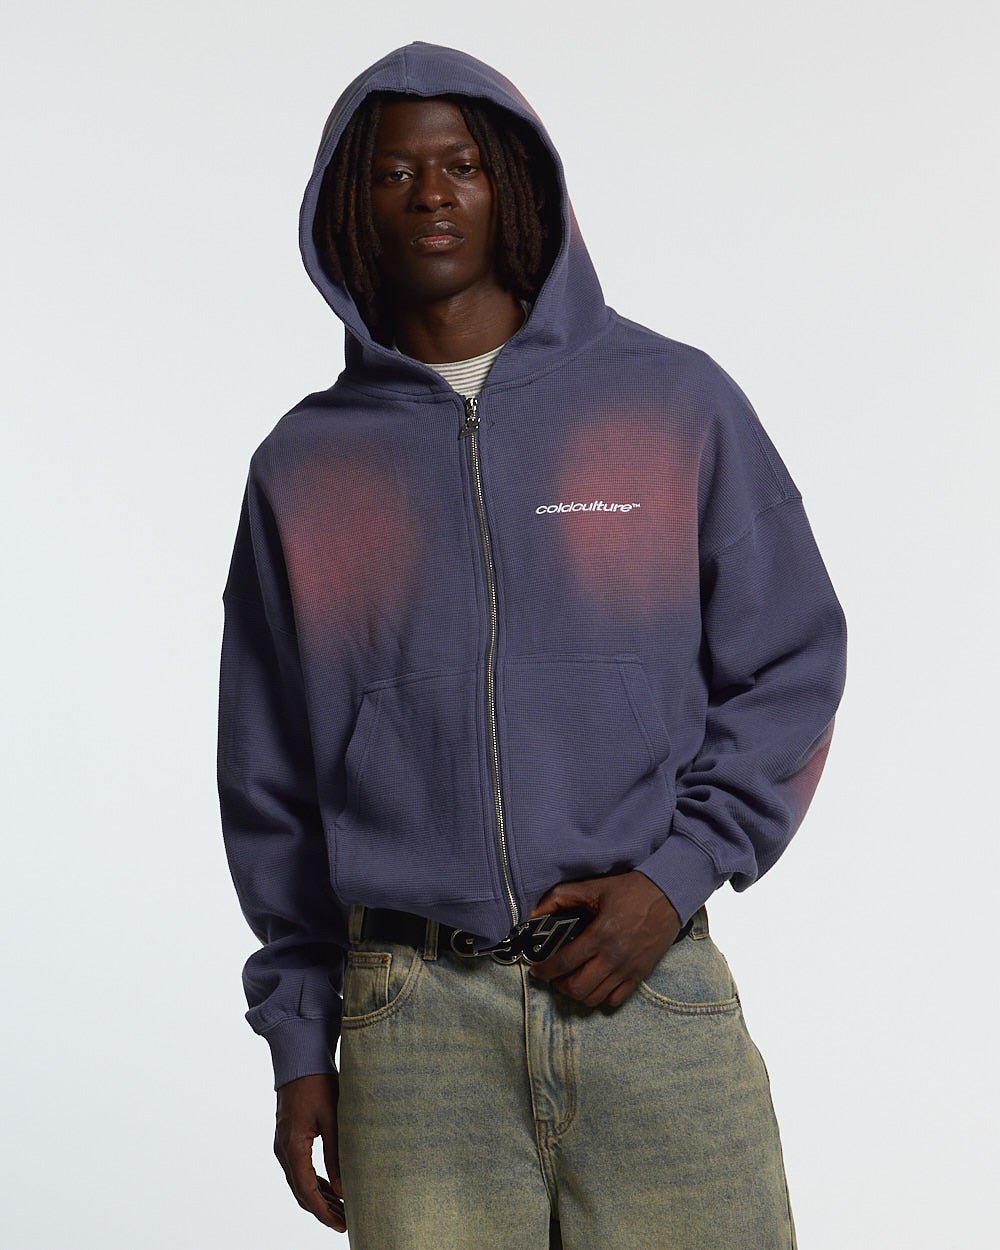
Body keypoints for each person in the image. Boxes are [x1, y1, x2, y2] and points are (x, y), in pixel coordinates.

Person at [217, 40, 847, 1250]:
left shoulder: (670, 404)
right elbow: (270, 779)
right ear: (352, 207)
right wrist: (300, 1036)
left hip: (644, 982)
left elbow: (792, 661)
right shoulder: (304, 467)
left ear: (513, 184)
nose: (432, 193)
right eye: (395, 172)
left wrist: (675, 874)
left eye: (460, 164)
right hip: (412, 1024)